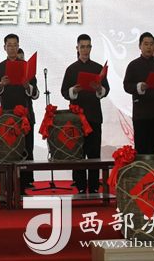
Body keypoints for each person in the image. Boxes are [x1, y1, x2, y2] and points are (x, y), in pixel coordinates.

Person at [60, 35, 110, 194]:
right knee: (77, 153)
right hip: (76, 118)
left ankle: (94, 186)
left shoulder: (98, 68)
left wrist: (99, 89)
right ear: (77, 48)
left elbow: (106, 90)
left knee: (94, 153)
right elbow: (64, 92)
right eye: (82, 47)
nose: (85, 50)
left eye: (88, 46)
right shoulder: (71, 69)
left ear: (91, 48)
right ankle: (80, 186)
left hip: (94, 116)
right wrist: (73, 91)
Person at [0, 34, 39, 194]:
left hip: (25, 116)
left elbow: (36, 93)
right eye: (9, 45)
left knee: (26, 151)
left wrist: (28, 87)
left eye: (15, 45)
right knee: (7, 152)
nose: (12, 48)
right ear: (4, 47)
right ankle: (8, 187)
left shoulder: (26, 66)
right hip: (6, 118)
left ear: (18, 47)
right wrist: (2, 84)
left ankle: (23, 187)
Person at [123, 32, 154, 154]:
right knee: (142, 150)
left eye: (151, 44)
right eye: (146, 44)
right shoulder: (133, 65)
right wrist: (139, 86)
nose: (149, 47)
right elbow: (127, 86)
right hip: (141, 115)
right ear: (140, 46)